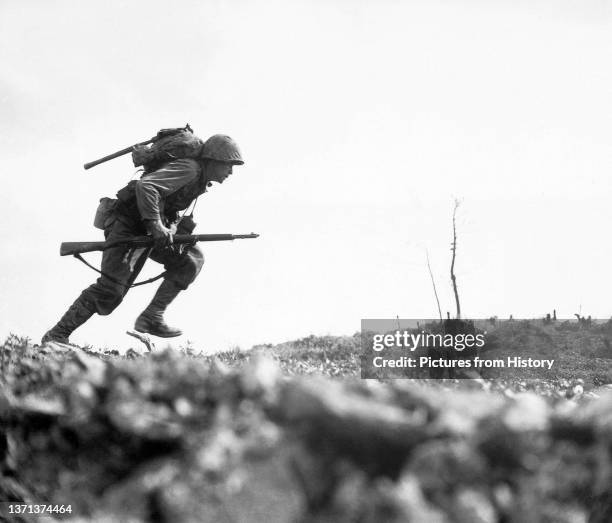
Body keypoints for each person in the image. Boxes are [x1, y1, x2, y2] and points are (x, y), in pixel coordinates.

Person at [41, 134, 244, 344]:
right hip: (127, 225)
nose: (230, 171)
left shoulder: (199, 179)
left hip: (147, 229)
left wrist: (170, 229)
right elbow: (146, 186)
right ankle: (57, 335)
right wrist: (156, 225)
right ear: (214, 160)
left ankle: (152, 317)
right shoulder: (190, 169)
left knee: (190, 259)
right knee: (111, 290)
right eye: (229, 165)